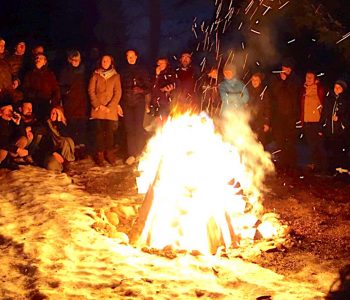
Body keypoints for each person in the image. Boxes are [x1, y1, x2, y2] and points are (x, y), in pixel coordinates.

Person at [88, 54, 123, 166]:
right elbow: (91, 90)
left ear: (111, 62)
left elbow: (118, 93)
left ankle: (109, 154)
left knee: (109, 133)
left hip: (110, 110)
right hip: (98, 109)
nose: (105, 62)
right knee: (98, 133)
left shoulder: (115, 76)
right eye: (103, 60)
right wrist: (97, 104)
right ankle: (100, 155)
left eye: (107, 61)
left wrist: (111, 106)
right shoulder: (95, 75)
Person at [120, 49, 151, 165]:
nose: (130, 58)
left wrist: (140, 90)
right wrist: (119, 104)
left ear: (136, 57)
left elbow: (149, 87)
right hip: (127, 103)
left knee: (138, 128)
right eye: (128, 56)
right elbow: (120, 88)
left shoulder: (142, 70)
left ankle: (138, 153)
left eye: (132, 56)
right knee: (129, 129)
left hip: (138, 103)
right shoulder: (123, 71)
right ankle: (131, 154)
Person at [270, 58, 302, 172]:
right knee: (280, 139)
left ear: (291, 69)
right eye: (284, 68)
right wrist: (281, 81)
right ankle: (282, 163)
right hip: (279, 115)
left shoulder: (295, 79)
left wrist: (286, 81)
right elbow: (275, 92)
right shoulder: (276, 79)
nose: (285, 70)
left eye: (287, 69)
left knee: (291, 140)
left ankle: (291, 163)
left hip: (291, 115)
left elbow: (293, 91)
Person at [59, 50, 89, 158]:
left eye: (77, 59)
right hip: (70, 103)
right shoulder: (65, 71)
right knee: (72, 126)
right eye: (73, 59)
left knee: (82, 126)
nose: (75, 61)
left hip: (82, 102)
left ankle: (82, 149)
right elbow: (61, 86)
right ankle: (74, 149)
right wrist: (66, 91)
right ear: (69, 60)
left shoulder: (84, 71)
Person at [33, 106, 75, 173]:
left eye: (56, 113)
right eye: (52, 112)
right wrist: (54, 153)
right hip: (49, 151)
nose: (52, 115)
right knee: (51, 165)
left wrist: (59, 121)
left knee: (67, 140)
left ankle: (65, 163)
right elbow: (44, 143)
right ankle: (60, 166)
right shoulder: (46, 124)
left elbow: (65, 135)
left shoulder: (62, 125)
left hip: (61, 153)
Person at [320, 80, 349, 174]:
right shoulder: (329, 98)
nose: (336, 89)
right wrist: (321, 126)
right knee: (329, 149)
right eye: (335, 87)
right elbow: (324, 113)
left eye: (339, 88)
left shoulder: (345, 101)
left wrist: (340, 120)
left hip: (339, 131)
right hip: (328, 129)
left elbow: (347, 115)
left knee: (338, 149)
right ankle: (330, 169)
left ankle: (341, 168)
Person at [300, 71, 326, 172]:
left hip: (317, 121)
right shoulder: (304, 90)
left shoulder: (319, 89)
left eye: (311, 77)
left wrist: (322, 121)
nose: (308, 79)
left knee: (319, 145)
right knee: (311, 145)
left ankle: (324, 167)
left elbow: (323, 104)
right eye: (307, 77)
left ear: (315, 79)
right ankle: (314, 165)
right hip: (307, 121)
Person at [22, 53, 61, 121]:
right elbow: (25, 89)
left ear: (45, 62)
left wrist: (53, 102)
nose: (38, 59)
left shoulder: (50, 74)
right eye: (36, 58)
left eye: (40, 58)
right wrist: (36, 94)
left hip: (47, 105)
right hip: (35, 105)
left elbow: (56, 89)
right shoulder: (29, 74)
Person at [0, 99, 30, 170]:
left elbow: (23, 135)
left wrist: (18, 124)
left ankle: (10, 161)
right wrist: (17, 150)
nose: (11, 112)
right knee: (3, 151)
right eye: (8, 110)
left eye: (11, 110)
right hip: (2, 148)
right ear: (0, 112)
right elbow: (1, 141)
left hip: (8, 148)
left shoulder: (11, 122)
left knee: (23, 140)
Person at [247, 72, 271, 146]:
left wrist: (267, 122)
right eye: (253, 80)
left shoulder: (264, 92)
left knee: (259, 143)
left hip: (260, 122)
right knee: (249, 141)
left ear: (260, 81)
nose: (254, 82)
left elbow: (268, 107)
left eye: (256, 80)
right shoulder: (248, 91)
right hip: (250, 120)